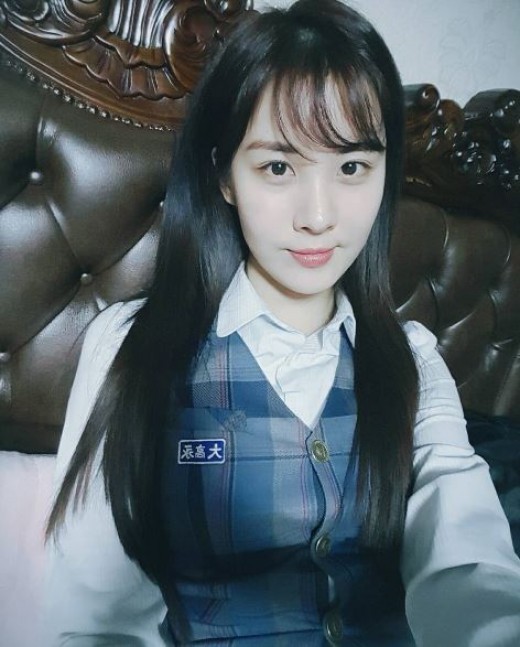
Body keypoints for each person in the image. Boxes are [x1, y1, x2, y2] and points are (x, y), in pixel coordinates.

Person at [44, 0, 520, 645]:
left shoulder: (411, 359)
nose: (318, 217)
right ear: (225, 176)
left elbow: (466, 564)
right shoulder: (134, 349)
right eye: (278, 166)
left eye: (352, 167)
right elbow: (93, 623)